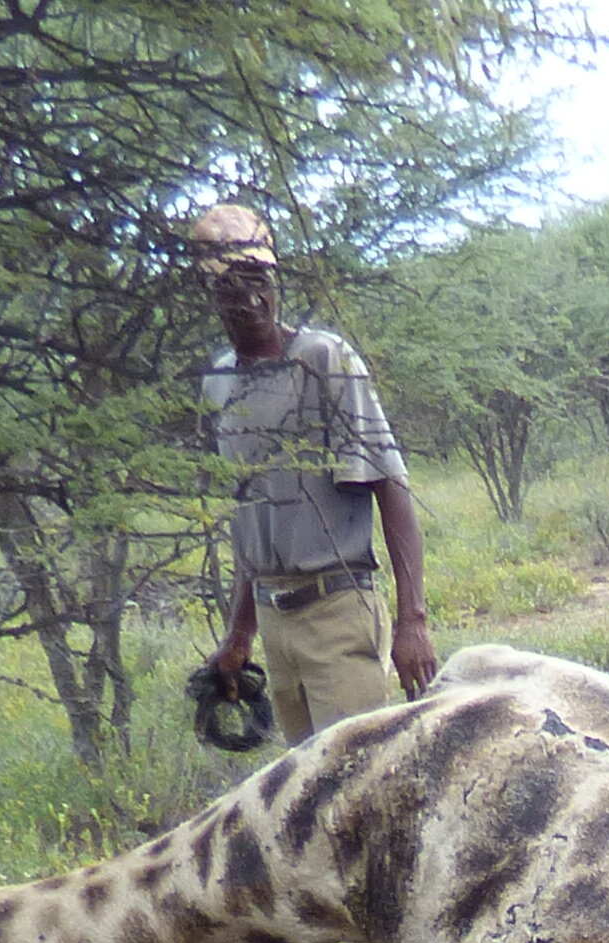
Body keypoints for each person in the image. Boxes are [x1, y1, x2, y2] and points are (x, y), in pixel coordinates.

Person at [187, 203, 437, 743]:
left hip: (337, 608)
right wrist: (239, 633)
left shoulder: (324, 359)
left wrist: (412, 621)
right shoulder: (219, 381)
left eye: (260, 279)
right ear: (210, 293)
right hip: (275, 622)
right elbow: (249, 519)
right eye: (231, 285)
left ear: (276, 280)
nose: (250, 297)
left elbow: (389, 483)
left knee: (357, 783)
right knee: (308, 798)